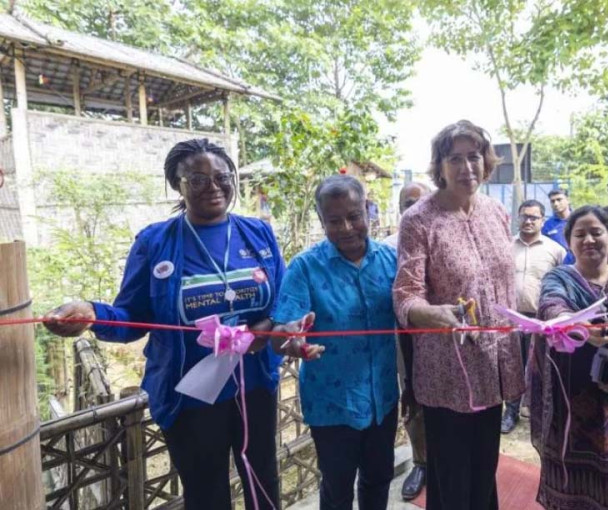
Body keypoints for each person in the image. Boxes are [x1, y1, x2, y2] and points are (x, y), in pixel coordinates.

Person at [44, 138, 291, 510]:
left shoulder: (258, 233)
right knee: (206, 495)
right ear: (178, 184)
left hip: (254, 386)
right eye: (198, 179)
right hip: (190, 395)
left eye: (222, 177)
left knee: (264, 486)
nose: (214, 186)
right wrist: (93, 314)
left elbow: (285, 304)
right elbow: (133, 319)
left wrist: (268, 327)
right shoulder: (155, 242)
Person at [393, 120, 524, 510]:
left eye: (475, 156)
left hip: (495, 361)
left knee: (484, 468)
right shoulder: (419, 220)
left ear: (486, 162)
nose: (467, 167)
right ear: (440, 166)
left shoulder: (497, 212)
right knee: (450, 474)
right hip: (447, 370)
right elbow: (405, 294)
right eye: (455, 158)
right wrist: (431, 314)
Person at [272, 174, 399, 510]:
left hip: (383, 398)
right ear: (321, 221)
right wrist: (294, 340)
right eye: (333, 220)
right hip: (332, 404)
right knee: (337, 488)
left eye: (354, 216)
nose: (345, 227)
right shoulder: (304, 267)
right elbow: (281, 333)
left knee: (378, 479)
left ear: (368, 212)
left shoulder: (391, 261)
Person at [529, 205, 608, 510]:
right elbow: (552, 306)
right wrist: (577, 326)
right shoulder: (559, 277)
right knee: (571, 479)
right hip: (570, 401)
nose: (589, 239)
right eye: (580, 234)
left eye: (596, 232)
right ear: (568, 241)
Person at [381, 180, 432, 501]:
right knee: (413, 399)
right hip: (404, 341)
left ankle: (448, 459)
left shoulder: (448, 238)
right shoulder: (387, 248)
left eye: (420, 203)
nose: (412, 210)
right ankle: (421, 462)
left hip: (446, 339)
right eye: (406, 204)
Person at [502, 199, 567, 434]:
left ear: (542, 220)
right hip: (512, 318)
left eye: (534, 217)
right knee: (513, 366)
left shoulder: (556, 250)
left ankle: (542, 414)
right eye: (524, 216)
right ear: (518, 218)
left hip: (542, 321)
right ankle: (511, 411)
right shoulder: (506, 246)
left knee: (542, 366)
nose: (528, 221)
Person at [542, 189, 575, 263]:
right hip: (557, 265)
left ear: (568, 200)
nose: (556, 204)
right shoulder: (547, 225)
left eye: (559, 200)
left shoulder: (579, 219)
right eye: (552, 201)